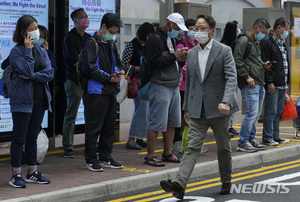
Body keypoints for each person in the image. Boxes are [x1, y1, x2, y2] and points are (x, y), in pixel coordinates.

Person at [160, 14, 239, 198]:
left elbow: (231, 78)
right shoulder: (192, 52)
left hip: (219, 108)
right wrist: (187, 107)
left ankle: (226, 180)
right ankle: (179, 184)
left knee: (223, 147)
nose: (198, 31)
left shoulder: (224, 50)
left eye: (202, 28)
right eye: (196, 28)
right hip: (197, 108)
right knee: (192, 147)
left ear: (211, 31)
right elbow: (191, 83)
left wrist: (227, 101)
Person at [8, 15, 54, 188]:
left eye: (36, 27)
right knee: (19, 138)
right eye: (32, 29)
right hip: (23, 101)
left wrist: (33, 76)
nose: (36, 31)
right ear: (23, 32)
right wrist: (28, 49)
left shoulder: (41, 50)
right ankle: (16, 174)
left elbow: (49, 73)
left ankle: (32, 172)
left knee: (32, 138)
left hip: (40, 99)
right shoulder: (16, 52)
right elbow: (25, 68)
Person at [143, 13, 188, 167]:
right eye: (176, 27)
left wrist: (180, 60)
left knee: (172, 122)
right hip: (160, 85)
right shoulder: (154, 40)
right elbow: (153, 63)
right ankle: (150, 155)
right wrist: (174, 56)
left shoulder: (172, 39)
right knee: (157, 122)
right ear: (168, 24)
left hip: (174, 85)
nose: (178, 31)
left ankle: (167, 153)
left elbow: (172, 63)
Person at [82, 13, 123, 172]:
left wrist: (119, 73)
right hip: (96, 91)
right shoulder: (91, 43)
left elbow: (117, 62)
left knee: (108, 126)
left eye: (114, 33)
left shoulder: (111, 44)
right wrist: (108, 78)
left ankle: (105, 156)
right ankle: (91, 159)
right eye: (111, 31)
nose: (112, 35)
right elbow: (89, 67)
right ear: (103, 26)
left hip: (110, 91)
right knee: (94, 127)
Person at [234, 18, 271, 152]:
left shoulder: (255, 42)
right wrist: (246, 76)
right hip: (250, 83)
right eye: (262, 31)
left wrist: (263, 65)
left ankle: (251, 138)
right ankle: (243, 142)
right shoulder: (244, 41)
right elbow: (237, 59)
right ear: (255, 28)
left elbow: (252, 61)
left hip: (259, 81)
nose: (263, 34)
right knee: (252, 113)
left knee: (256, 114)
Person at [62, 8, 91, 158]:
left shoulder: (88, 38)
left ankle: (90, 145)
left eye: (86, 17)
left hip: (88, 81)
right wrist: (85, 62)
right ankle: (68, 146)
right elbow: (75, 61)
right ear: (75, 21)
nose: (85, 20)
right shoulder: (69, 38)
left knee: (90, 113)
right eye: (82, 17)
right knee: (71, 114)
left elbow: (92, 59)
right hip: (74, 80)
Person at [122, 22, 155, 150]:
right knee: (141, 110)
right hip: (137, 81)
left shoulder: (147, 46)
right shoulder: (131, 45)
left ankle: (140, 137)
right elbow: (124, 65)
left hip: (146, 81)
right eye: (150, 34)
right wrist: (138, 68)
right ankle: (131, 139)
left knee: (145, 110)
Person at [260, 17, 290, 146]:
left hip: (282, 83)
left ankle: (275, 136)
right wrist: (270, 82)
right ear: (279, 28)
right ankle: (267, 137)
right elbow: (266, 63)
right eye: (286, 29)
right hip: (274, 83)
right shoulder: (267, 42)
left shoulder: (281, 42)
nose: (287, 32)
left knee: (278, 111)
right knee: (270, 111)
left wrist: (286, 81)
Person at [173, 19, 199, 154]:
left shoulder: (199, 45)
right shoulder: (181, 45)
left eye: (196, 29)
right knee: (181, 116)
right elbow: (179, 64)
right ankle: (177, 142)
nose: (194, 32)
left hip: (196, 86)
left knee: (194, 115)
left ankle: (192, 142)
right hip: (182, 86)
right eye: (191, 29)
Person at [220, 21, 239, 137]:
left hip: (233, 77)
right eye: (236, 29)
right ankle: (226, 126)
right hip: (227, 78)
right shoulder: (225, 45)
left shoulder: (235, 43)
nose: (238, 31)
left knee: (233, 102)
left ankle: (230, 125)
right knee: (228, 101)